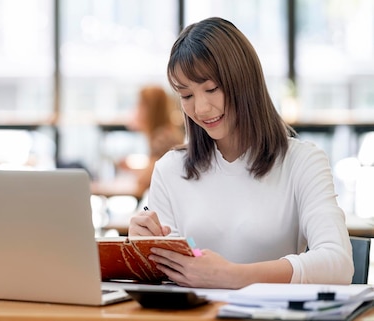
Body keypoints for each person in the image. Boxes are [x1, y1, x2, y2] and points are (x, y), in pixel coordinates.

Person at [128, 17, 353, 289]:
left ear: (244, 82)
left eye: (212, 89)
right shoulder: (170, 169)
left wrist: (234, 276)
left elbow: (338, 263)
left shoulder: (302, 161)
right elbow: (172, 275)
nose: (201, 109)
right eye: (186, 95)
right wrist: (142, 252)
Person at [120, 85, 185, 198]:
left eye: (140, 105)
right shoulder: (165, 132)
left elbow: (147, 179)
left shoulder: (162, 138)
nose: (136, 110)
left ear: (150, 109)